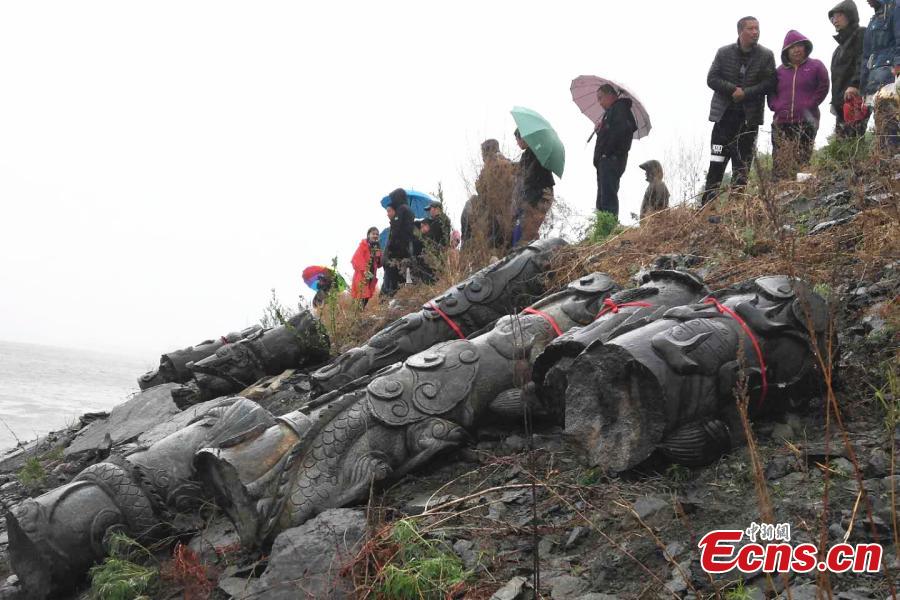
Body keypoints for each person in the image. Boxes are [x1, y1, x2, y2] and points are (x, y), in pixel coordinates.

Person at [701, 16, 777, 205]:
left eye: (757, 28)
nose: (755, 32)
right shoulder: (724, 52)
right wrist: (732, 90)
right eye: (750, 29)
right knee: (716, 163)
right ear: (740, 31)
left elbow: (770, 83)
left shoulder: (766, 55)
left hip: (749, 120)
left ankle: (736, 210)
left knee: (742, 167)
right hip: (723, 119)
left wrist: (746, 93)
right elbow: (712, 78)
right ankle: (707, 208)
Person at [768, 31, 830, 179]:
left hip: (806, 122)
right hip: (781, 123)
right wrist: (776, 106)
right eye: (792, 47)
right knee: (779, 162)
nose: (796, 49)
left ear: (805, 48)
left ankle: (800, 193)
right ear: (786, 51)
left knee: (802, 161)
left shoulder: (816, 66)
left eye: (800, 46)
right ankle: (778, 194)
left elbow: (824, 86)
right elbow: (770, 91)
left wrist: (810, 104)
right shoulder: (779, 72)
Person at [858, 0, 899, 151]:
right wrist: (863, 89)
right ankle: (886, 165)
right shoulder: (874, 19)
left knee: (890, 123)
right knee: (881, 125)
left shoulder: (896, 8)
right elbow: (866, 56)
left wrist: (898, 66)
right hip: (874, 80)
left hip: (891, 76)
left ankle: (893, 164)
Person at [593, 84, 638, 218]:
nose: (599, 102)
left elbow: (622, 133)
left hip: (611, 159)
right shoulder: (611, 112)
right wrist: (600, 130)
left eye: (601, 98)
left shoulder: (621, 109)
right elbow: (610, 133)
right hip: (605, 160)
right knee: (602, 199)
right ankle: (602, 229)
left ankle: (608, 229)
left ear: (610, 95)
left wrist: (608, 152)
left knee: (608, 198)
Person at [462, 139, 515, 250]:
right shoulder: (508, 163)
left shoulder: (490, 166)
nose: (482, 157)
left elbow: (483, 191)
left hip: (493, 214)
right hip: (508, 212)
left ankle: (465, 245)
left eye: (482, 152)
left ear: (487, 151)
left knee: (469, 206)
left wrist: (478, 185)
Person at [829, 1, 869, 137]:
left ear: (850, 15)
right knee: (841, 149)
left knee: (854, 143)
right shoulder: (837, 50)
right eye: (833, 17)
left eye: (839, 15)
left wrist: (855, 84)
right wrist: (835, 103)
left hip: (855, 99)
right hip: (840, 105)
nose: (835, 20)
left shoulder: (861, 33)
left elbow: (863, 59)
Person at [512, 128, 554, 246]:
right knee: (523, 230)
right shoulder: (526, 155)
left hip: (541, 194)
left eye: (517, 139)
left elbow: (530, 176)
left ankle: (532, 253)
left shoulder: (538, 151)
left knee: (529, 230)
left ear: (523, 138)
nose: (517, 143)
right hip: (532, 196)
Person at [382, 188, 415, 297]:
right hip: (406, 249)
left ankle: (391, 299)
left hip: (398, 250)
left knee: (393, 281)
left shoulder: (401, 209)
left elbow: (396, 230)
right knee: (402, 278)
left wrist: (390, 246)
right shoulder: (410, 211)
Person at [350, 227, 382, 308]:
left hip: (371, 276)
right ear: (368, 235)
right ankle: (358, 315)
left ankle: (359, 314)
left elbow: (379, 264)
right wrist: (365, 270)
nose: (375, 236)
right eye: (373, 234)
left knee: (366, 297)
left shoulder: (377, 247)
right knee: (362, 296)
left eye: (377, 234)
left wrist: (382, 256)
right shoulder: (363, 245)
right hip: (362, 276)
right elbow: (355, 259)